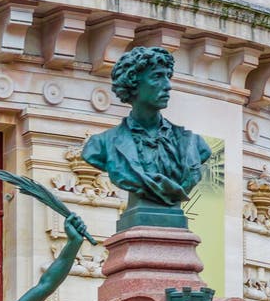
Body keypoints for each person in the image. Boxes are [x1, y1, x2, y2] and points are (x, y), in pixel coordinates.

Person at [81, 46, 211, 206]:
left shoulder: (194, 144)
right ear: (133, 82)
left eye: (167, 76)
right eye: (157, 76)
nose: (167, 85)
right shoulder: (102, 145)